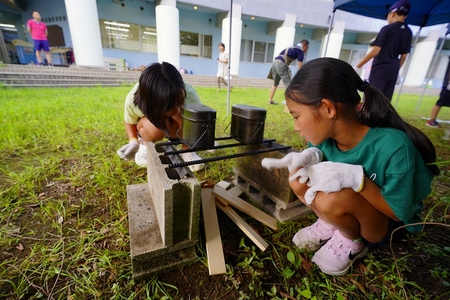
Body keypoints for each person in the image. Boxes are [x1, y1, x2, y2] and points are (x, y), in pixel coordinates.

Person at [262, 57, 439, 276]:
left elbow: (398, 213)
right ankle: (331, 224)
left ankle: (351, 240)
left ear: (328, 109)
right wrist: (309, 158)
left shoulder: (395, 147)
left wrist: (357, 179)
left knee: (331, 198)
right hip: (354, 209)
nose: (296, 127)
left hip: (386, 225)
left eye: (297, 117)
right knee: (298, 179)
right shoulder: (324, 138)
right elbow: (320, 177)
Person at [117, 62, 205, 171]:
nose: (177, 110)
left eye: (181, 102)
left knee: (186, 116)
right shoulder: (134, 99)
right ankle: (145, 146)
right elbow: (129, 120)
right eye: (169, 107)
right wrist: (133, 141)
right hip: (152, 124)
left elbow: (198, 120)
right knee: (153, 128)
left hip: (176, 128)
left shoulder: (189, 94)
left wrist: (199, 137)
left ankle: (186, 150)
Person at [356, 0, 412, 101]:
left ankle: (368, 117)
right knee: (385, 100)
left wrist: (358, 65)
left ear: (392, 13)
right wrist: (395, 68)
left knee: (372, 98)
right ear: (405, 16)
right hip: (393, 70)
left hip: (380, 69)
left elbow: (375, 50)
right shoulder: (408, 32)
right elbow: (404, 57)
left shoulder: (387, 29)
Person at [268, 39, 309, 105]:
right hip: (281, 64)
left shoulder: (293, 47)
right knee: (290, 85)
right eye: (307, 47)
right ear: (304, 45)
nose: (307, 49)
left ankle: (270, 100)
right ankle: (287, 101)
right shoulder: (300, 51)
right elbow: (300, 65)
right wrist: (301, 74)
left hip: (275, 63)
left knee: (275, 83)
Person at [426, 57, 450, 128]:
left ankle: (432, 120)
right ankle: (432, 120)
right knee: (441, 101)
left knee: (441, 101)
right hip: (448, 85)